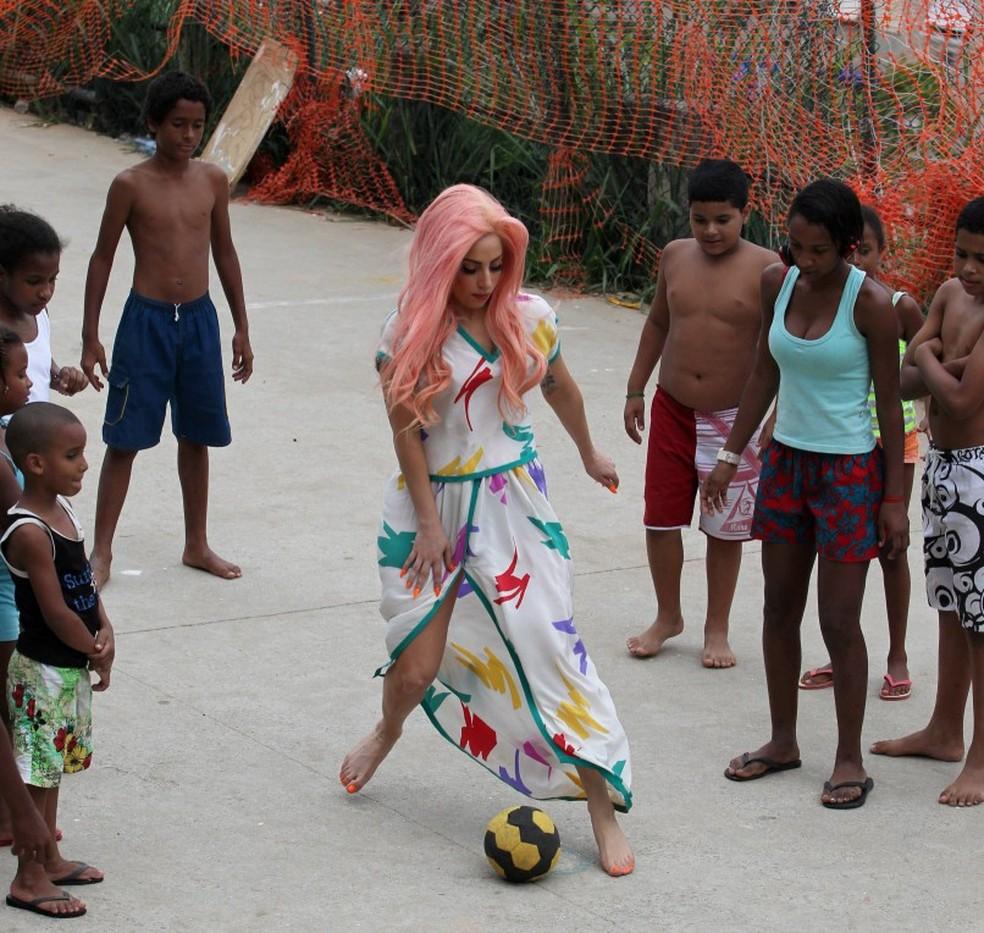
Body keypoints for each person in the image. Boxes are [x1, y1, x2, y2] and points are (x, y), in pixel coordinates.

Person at [339, 184, 634, 876]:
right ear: (441, 261)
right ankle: (388, 730)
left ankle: (599, 806)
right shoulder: (407, 331)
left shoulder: (528, 316)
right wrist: (430, 526)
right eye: (468, 267)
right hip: (430, 508)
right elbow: (407, 432)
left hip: (514, 504)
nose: (482, 282)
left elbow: (559, 386)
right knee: (413, 663)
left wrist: (590, 451)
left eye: (495, 265)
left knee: (552, 648)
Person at [702, 178, 908, 809]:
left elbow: (891, 404)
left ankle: (849, 758)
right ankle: (783, 740)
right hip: (786, 465)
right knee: (776, 610)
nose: (804, 261)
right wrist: (731, 454)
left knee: (839, 620)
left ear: (847, 247)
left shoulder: (871, 303)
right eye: (794, 246)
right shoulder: (778, 282)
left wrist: (894, 496)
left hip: (848, 473)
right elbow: (766, 368)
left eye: (818, 250)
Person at [80, 70, 254, 589]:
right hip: (146, 323)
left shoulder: (213, 181)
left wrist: (241, 326)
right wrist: (91, 335)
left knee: (196, 436)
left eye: (197, 125)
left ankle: (196, 543)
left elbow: (225, 253)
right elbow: (102, 257)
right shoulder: (130, 185)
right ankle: (102, 551)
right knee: (125, 439)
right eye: (177, 124)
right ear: (153, 124)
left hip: (199, 321)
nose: (188, 135)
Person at [623, 159, 775, 668]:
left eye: (722, 220)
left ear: (744, 214)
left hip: (734, 417)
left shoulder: (769, 269)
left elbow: (782, 350)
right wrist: (634, 388)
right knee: (660, 518)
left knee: (723, 528)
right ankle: (669, 615)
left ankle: (717, 627)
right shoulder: (674, 256)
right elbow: (656, 325)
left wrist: (776, 414)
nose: (710, 230)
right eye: (699, 218)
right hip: (671, 407)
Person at [871, 196, 984, 806]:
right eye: (963, 253)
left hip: (981, 475)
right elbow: (924, 374)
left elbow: (964, 402)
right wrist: (938, 361)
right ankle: (944, 729)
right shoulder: (947, 293)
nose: (969, 269)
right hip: (942, 463)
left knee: (983, 621)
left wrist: (925, 354)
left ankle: (982, 756)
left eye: (982, 260)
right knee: (948, 600)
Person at [798, 204, 925, 699]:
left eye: (867, 252)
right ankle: (840, 649)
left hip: (893, 443)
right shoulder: (822, 301)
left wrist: (927, 405)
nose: (860, 262)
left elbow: (926, 353)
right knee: (840, 554)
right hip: (840, 445)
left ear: (877, 251)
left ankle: (897, 653)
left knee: (890, 546)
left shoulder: (897, 304)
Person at [1, 402, 115, 918]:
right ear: (36, 463)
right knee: (36, 773)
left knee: (52, 771)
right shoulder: (27, 530)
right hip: (43, 670)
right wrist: (92, 645)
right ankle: (28, 877)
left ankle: (49, 857)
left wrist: (105, 627)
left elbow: (84, 588)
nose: (84, 464)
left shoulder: (62, 512)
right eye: (72, 455)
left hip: (67, 667)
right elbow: (54, 610)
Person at [0, 206, 87, 401]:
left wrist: (58, 376)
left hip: (35, 429)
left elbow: (37, 362)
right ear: (2, 275)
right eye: (34, 281)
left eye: (52, 279)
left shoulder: (38, 313)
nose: (46, 292)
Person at [0, 329, 32, 850]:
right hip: (7, 600)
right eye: (20, 373)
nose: (30, 382)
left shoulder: (7, 434)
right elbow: (23, 534)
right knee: (8, 709)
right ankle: (16, 820)